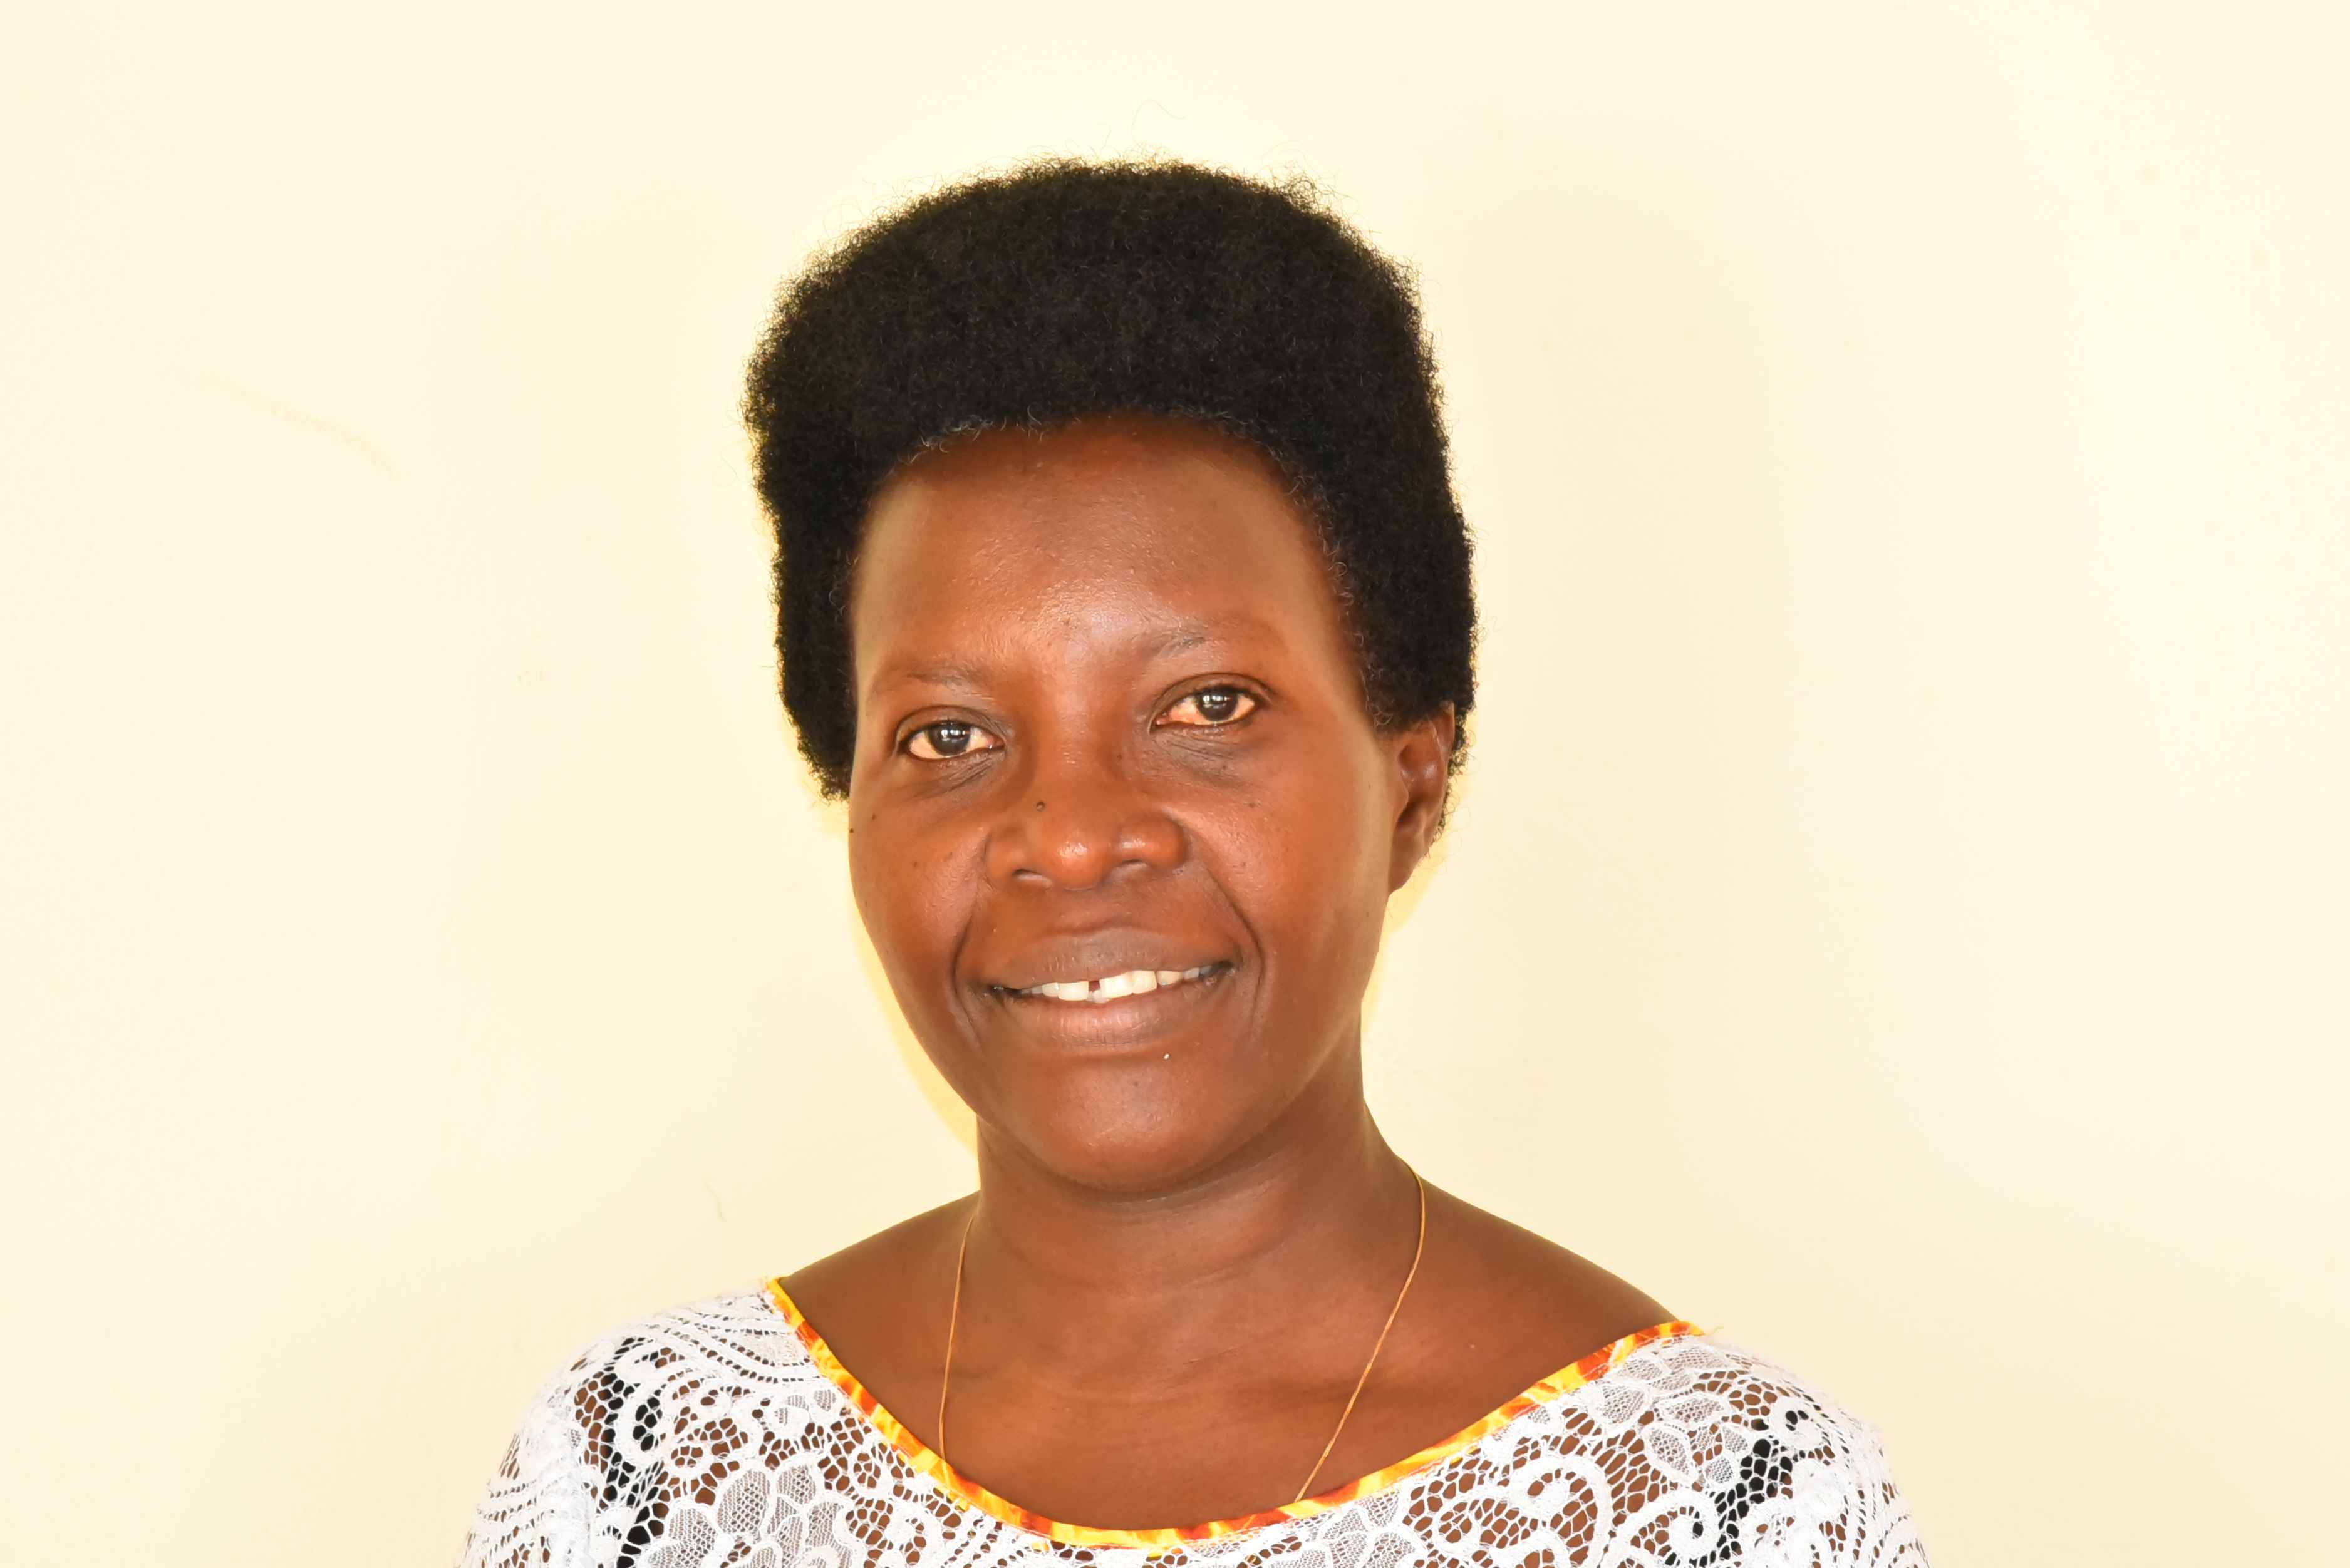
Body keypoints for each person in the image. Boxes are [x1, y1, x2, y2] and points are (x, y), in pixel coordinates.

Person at [458, 158, 1928, 1567]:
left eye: (1206, 707)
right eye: (950, 736)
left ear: (1410, 788)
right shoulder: (644, 1468)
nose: (1071, 833)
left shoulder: (1718, 1509)